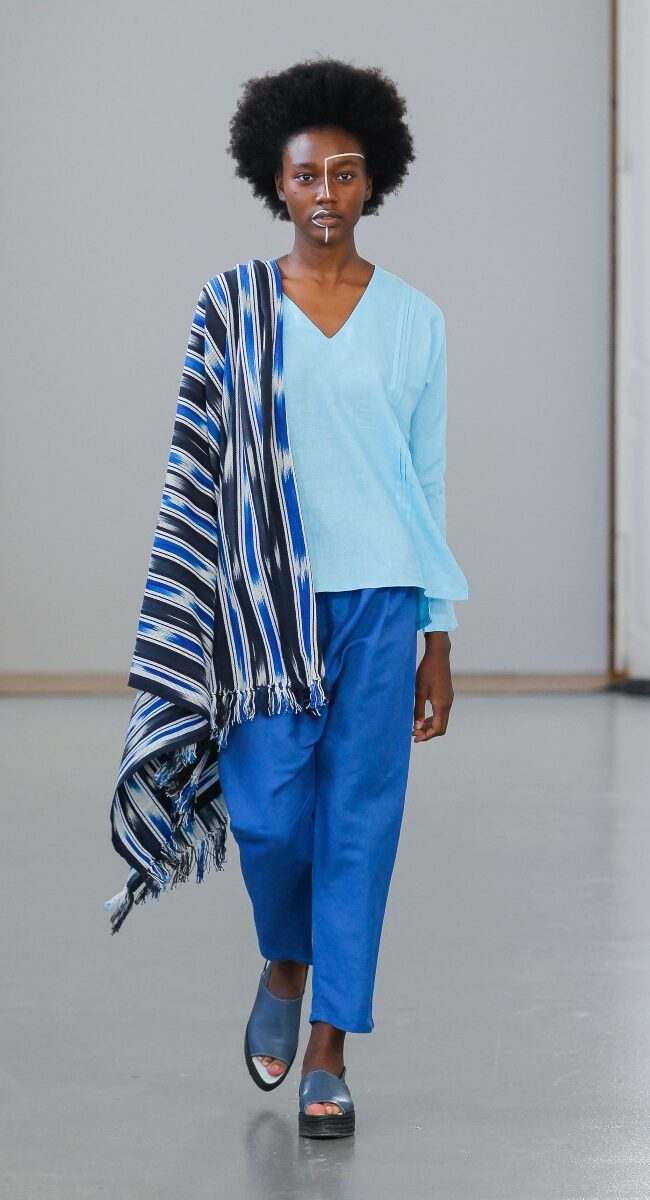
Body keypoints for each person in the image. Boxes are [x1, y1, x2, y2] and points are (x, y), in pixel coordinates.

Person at [217, 57, 468, 1138]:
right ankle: (286, 959)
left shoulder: (414, 320)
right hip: (267, 604)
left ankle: (330, 1043)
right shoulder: (235, 310)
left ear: (374, 182)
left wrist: (436, 634)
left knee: (362, 824)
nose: (326, 193)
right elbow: (201, 475)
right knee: (268, 816)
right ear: (276, 183)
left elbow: (426, 479)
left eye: (346, 173)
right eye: (306, 174)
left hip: (380, 600)